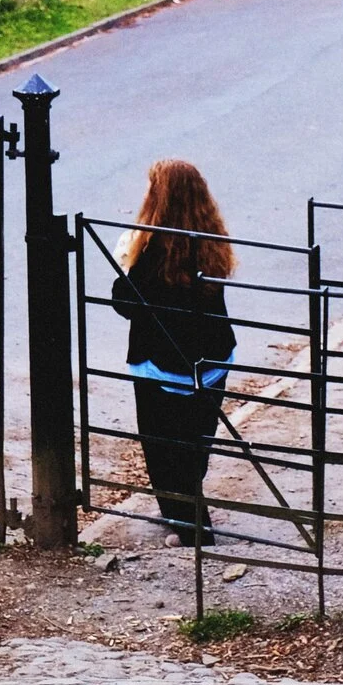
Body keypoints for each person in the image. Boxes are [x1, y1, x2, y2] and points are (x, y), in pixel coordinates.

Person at [109, 160, 238, 545]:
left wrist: (125, 265)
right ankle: (187, 510)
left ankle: (191, 526)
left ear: (157, 196)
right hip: (210, 358)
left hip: (160, 362)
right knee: (197, 439)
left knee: (162, 443)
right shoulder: (212, 241)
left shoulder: (152, 248)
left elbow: (128, 304)